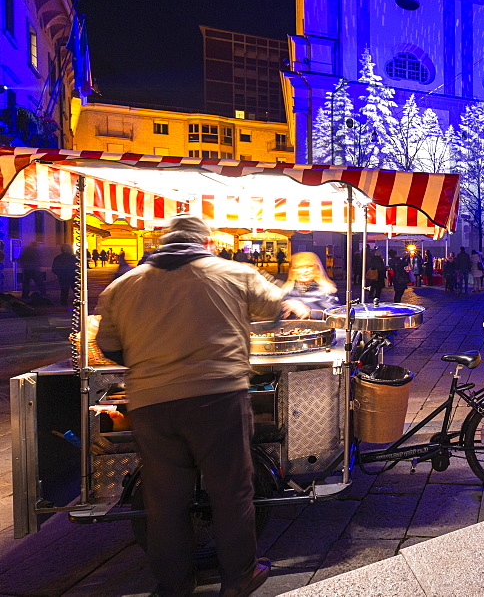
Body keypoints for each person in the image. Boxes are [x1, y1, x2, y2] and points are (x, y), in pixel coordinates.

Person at [95, 214, 309, 596]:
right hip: (217, 397)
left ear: (161, 243)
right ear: (206, 242)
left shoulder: (122, 286)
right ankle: (239, 577)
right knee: (231, 491)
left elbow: (110, 347)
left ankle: (175, 584)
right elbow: (275, 311)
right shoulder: (232, 272)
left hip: (150, 403)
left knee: (163, 500)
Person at [282, 251, 338, 318]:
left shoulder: (325, 291)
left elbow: (335, 315)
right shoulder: (286, 291)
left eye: (309, 266)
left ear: (317, 269)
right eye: (299, 267)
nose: (305, 271)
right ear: (293, 270)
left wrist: (309, 312)